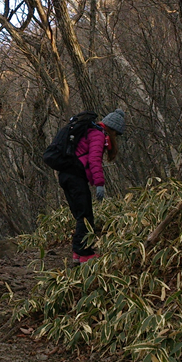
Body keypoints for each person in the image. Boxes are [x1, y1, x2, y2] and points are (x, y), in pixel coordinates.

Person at [58, 109, 124, 266]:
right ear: (113, 129)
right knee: (86, 217)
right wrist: (100, 184)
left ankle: (77, 253)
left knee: (80, 215)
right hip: (75, 177)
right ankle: (85, 254)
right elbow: (94, 161)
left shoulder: (89, 131)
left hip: (65, 175)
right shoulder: (97, 135)